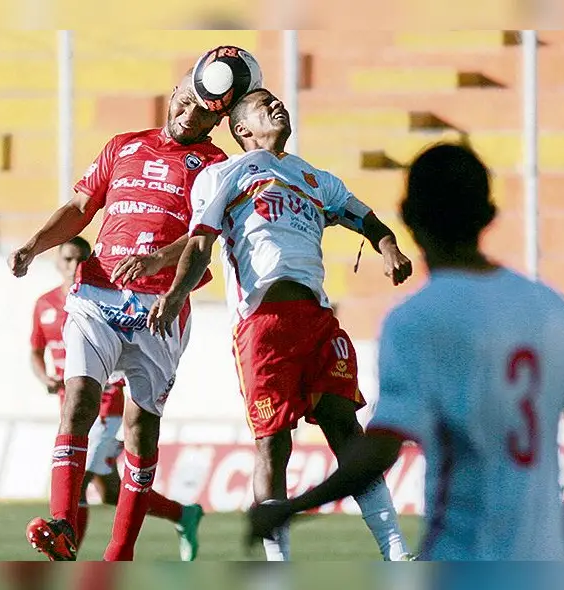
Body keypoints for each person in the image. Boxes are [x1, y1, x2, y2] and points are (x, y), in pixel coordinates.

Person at [244, 143, 564, 560]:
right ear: (489, 215)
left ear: (409, 217)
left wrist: (293, 507)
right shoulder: (549, 306)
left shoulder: (416, 319)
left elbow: (381, 448)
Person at [150, 88, 415, 561]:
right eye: (263, 104)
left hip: (317, 320)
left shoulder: (316, 178)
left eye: (279, 101)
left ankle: (396, 551)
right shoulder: (222, 175)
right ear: (241, 130)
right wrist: (174, 296)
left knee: (345, 427)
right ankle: (278, 566)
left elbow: (368, 220)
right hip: (262, 325)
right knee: (274, 445)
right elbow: (201, 244)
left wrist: (388, 247)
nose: (278, 106)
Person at [8, 66, 227, 561]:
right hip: (98, 293)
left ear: (214, 121)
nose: (186, 114)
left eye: (200, 111)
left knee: (139, 428)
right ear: (172, 94)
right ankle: (63, 521)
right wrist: (35, 246)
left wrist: (157, 260)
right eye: (184, 101)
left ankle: (120, 552)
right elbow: (82, 205)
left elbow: (203, 240)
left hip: (161, 303)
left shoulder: (215, 166)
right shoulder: (122, 145)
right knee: (78, 397)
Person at [28, 236, 204, 561]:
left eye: (82, 259)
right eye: (67, 259)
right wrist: (44, 378)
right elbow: (36, 351)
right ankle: (183, 515)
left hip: (108, 411)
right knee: (110, 491)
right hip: (74, 407)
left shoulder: (107, 297)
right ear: (56, 262)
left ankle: (65, 553)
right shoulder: (45, 304)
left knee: (80, 485)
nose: (74, 266)